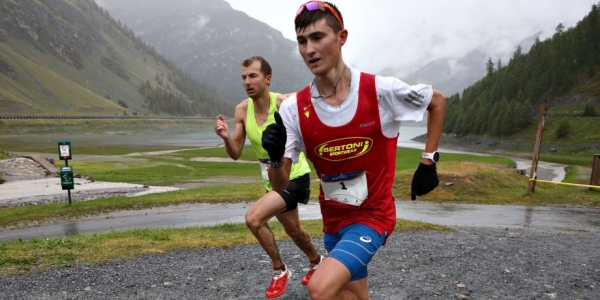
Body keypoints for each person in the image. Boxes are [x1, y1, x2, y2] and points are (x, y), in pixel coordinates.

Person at [262, 2, 447, 300]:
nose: (309, 49)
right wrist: (273, 157)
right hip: (334, 218)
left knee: (321, 289)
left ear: (341, 37)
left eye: (318, 37)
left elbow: (436, 101)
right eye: (302, 41)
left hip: (373, 216)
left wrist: (428, 162)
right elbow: (282, 186)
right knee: (354, 295)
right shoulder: (294, 109)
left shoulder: (380, 90)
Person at [214, 56, 323, 299]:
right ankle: (317, 261)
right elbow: (235, 153)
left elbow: (311, 109)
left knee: (254, 219)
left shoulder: (284, 103)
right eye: (243, 77)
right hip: (271, 178)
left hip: (294, 172)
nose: (247, 82)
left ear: (267, 79)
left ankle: (280, 270)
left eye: (253, 76)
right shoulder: (242, 110)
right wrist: (225, 137)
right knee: (294, 230)